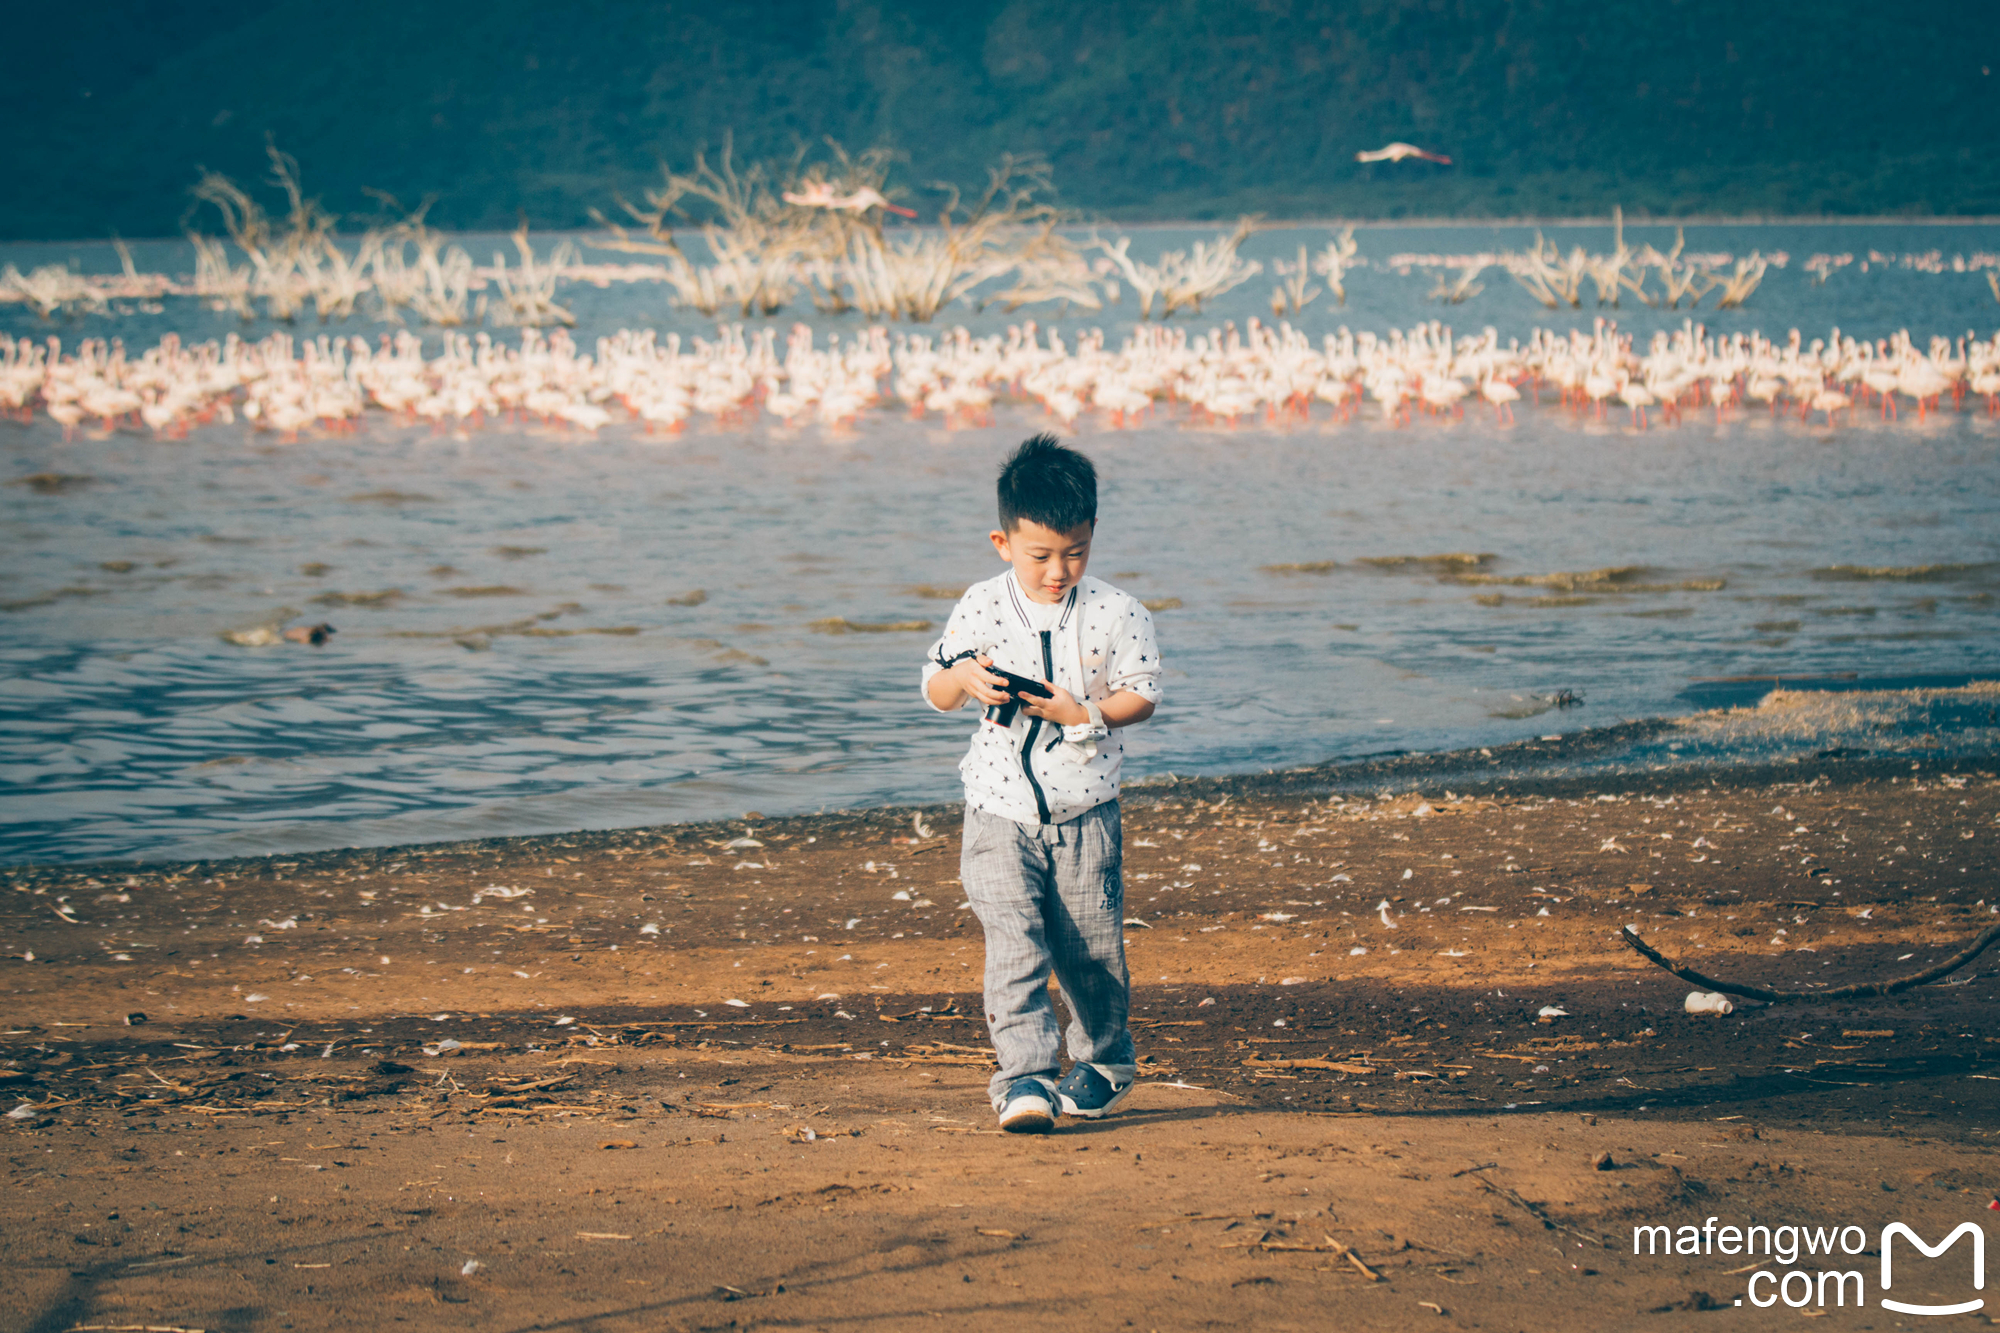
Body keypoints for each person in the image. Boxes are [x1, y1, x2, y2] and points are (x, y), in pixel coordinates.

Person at [920, 435, 1163, 1133]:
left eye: (1076, 551)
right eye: (1041, 555)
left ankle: (1106, 1063)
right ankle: (1023, 1076)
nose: (1059, 570)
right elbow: (935, 688)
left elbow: (1141, 695)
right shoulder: (980, 606)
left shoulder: (1118, 613)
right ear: (1004, 541)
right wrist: (962, 677)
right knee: (1014, 939)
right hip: (996, 810)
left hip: (1086, 811)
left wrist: (1080, 711)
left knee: (1090, 947)